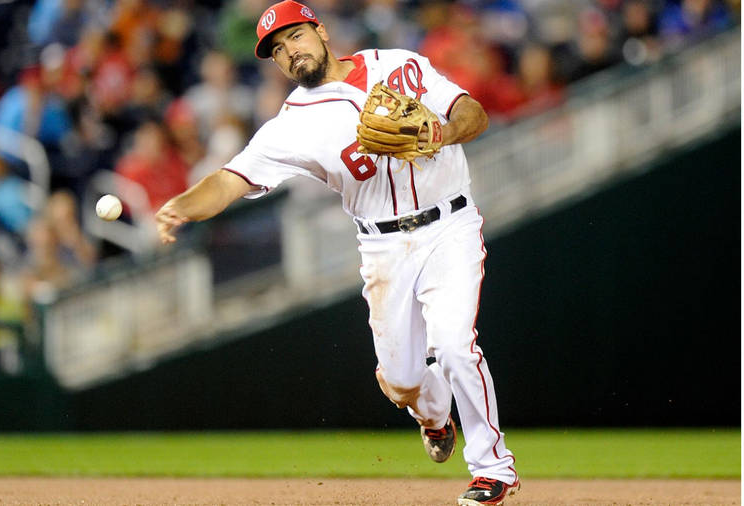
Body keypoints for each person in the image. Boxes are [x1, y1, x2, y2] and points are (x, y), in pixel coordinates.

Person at [154, 2, 519, 505]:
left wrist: (443, 131)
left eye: (295, 37)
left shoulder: (397, 64)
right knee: (403, 380)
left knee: (456, 344)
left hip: (449, 225)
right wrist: (182, 206)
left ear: (320, 32)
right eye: (277, 50)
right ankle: (433, 418)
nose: (289, 52)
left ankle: (492, 469)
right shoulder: (292, 124)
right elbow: (229, 180)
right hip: (383, 248)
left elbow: (470, 112)